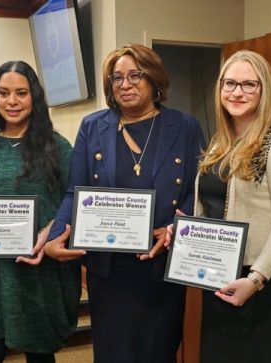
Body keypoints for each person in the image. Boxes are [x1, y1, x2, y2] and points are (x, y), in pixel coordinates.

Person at [43, 44, 205, 363]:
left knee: (159, 351)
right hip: (110, 271)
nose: (125, 84)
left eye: (135, 75)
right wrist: (53, 237)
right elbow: (75, 191)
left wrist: (176, 226)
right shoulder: (93, 126)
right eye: (116, 78)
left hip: (161, 264)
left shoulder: (185, 126)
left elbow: (197, 188)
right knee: (113, 353)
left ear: (154, 80)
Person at [0, 61, 80, 363]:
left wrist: (49, 231)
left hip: (37, 271)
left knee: (39, 355)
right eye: (4, 93)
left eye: (21, 93)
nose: (12, 102)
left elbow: (72, 200)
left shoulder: (58, 147)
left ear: (34, 98)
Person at [187, 50, 271, 362]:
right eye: (230, 84)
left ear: (264, 89)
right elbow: (208, 205)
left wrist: (256, 279)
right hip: (219, 275)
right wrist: (188, 235)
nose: (237, 92)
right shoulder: (219, 142)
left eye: (249, 85)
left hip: (264, 281)